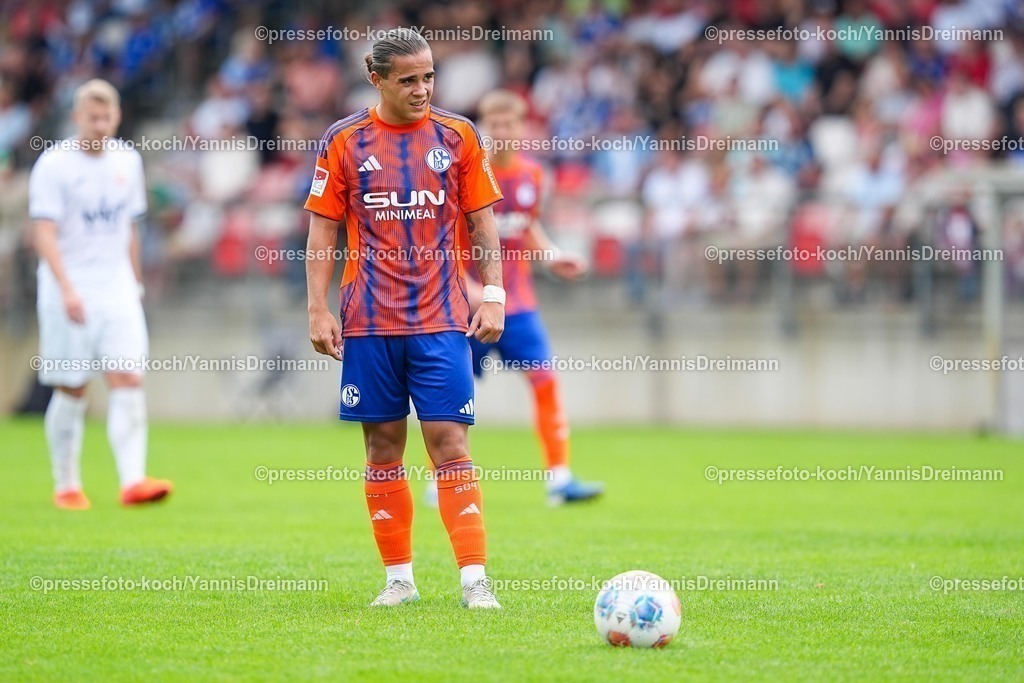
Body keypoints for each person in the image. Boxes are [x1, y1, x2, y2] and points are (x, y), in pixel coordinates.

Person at [304, 29, 505, 609]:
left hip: (442, 319)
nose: (423, 89)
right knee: (382, 449)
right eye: (409, 80)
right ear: (378, 80)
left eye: (430, 76)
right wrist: (318, 307)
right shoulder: (344, 140)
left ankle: (474, 582)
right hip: (368, 321)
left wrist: (492, 292)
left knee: (451, 445)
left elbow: (481, 222)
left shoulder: (458, 135)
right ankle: (399, 579)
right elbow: (323, 229)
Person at [425, 89, 603, 507]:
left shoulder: (533, 176)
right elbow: (442, 241)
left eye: (510, 123)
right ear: (485, 128)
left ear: (522, 128)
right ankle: (440, 479)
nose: (503, 131)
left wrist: (553, 255)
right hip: (465, 304)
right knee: (453, 390)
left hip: (517, 304)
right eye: (495, 124)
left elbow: (528, 229)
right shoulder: (465, 174)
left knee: (544, 379)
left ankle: (559, 480)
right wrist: (469, 290)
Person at [29, 78, 173, 510]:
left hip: (116, 289)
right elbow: (44, 232)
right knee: (72, 387)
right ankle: (66, 484)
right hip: (68, 288)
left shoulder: (127, 160)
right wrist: (66, 288)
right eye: (91, 117)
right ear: (76, 117)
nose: (99, 125)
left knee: (128, 377)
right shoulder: (54, 165)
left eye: (106, 117)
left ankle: (133, 481)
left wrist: (134, 280)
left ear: (117, 117)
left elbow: (128, 226)